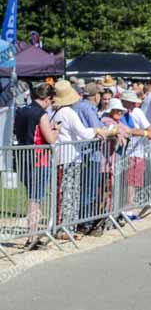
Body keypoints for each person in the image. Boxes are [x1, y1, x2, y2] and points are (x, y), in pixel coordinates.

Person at [50, 80, 112, 239]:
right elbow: (83, 133)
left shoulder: (56, 111)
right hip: (70, 157)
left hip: (64, 157)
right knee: (70, 194)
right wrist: (97, 130)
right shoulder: (68, 112)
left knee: (67, 193)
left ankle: (66, 228)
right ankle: (66, 229)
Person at [13, 83, 59, 249]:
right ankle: (31, 237)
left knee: (32, 196)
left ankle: (31, 236)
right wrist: (56, 130)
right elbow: (51, 139)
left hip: (22, 158)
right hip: (39, 159)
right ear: (47, 99)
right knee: (35, 199)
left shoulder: (21, 111)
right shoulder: (41, 113)